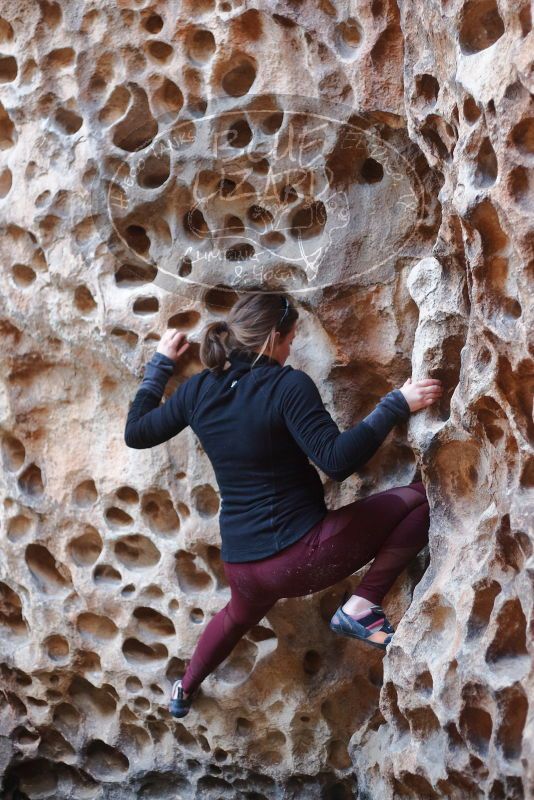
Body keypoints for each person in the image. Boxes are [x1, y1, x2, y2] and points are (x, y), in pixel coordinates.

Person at [124, 292, 443, 718]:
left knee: (236, 618)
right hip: (301, 556)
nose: (292, 346)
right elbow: (336, 460)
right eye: (291, 337)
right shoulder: (286, 385)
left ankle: (183, 688)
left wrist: (160, 366)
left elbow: (137, 432)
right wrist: (394, 405)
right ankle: (364, 604)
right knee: (427, 499)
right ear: (275, 337)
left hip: (242, 567)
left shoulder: (199, 389)